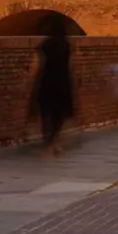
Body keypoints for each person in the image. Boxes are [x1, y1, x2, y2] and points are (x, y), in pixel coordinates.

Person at [31, 13, 75, 157]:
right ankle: (54, 140)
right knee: (59, 113)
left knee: (46, 112)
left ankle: (48, 141)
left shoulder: (45, 45)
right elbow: (71, 65)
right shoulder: (67, 45)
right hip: (63, 81)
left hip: (47, 80)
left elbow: (38, 65)